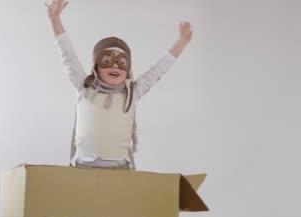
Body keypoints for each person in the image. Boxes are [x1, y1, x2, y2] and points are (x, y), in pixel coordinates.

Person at [46, 0, 193, 169]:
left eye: (122, 62)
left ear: (128, 69)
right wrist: (54, 19)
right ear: (96, 66)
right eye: (107, 60)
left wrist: (181, 41)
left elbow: (157, 71)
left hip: (120, 168)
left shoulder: (132, 92)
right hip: (83, 166)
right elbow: (68, 57)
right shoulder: (84, 87)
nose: (115, 65)